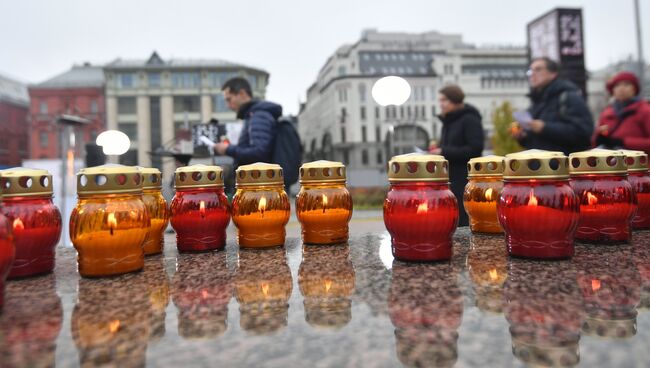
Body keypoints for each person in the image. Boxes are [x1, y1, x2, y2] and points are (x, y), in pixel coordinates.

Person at [510, 57, 593, 154]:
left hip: (562, 166)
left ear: (553, 73)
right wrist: (522, 137)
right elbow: (536, 143)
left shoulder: (568, 96)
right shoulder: (537, 101)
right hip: (539, 167)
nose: (532, 74)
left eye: (538, 69)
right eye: (530, 71)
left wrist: (544, 128)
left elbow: (583, 133)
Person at [430, 84, 484, 227]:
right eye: (440, 100)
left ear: (455, 100)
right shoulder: (448, 121)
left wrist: (443, 151)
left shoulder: (469, 119)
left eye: (444, 100)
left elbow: (475, 149)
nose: (441, 104)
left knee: (464, 221)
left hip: (464, 180)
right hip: (451, 179)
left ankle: (468, 248)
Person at [211, 77, 282, 168]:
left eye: (229, 99)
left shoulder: (258, 116)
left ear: (242, 93)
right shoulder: (253, 115)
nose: (228, 106)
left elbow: (259, 153)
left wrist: (228, 149)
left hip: (257, 179)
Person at [593, 71, 650, 154]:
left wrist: (623, 142)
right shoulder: (606, 113)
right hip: (611, 164)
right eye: (617, 85)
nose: (621, 88)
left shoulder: (645, 111)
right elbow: (595, 141)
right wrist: (599, 139)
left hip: (639, 165)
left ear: (635, 89)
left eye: (626, 84)